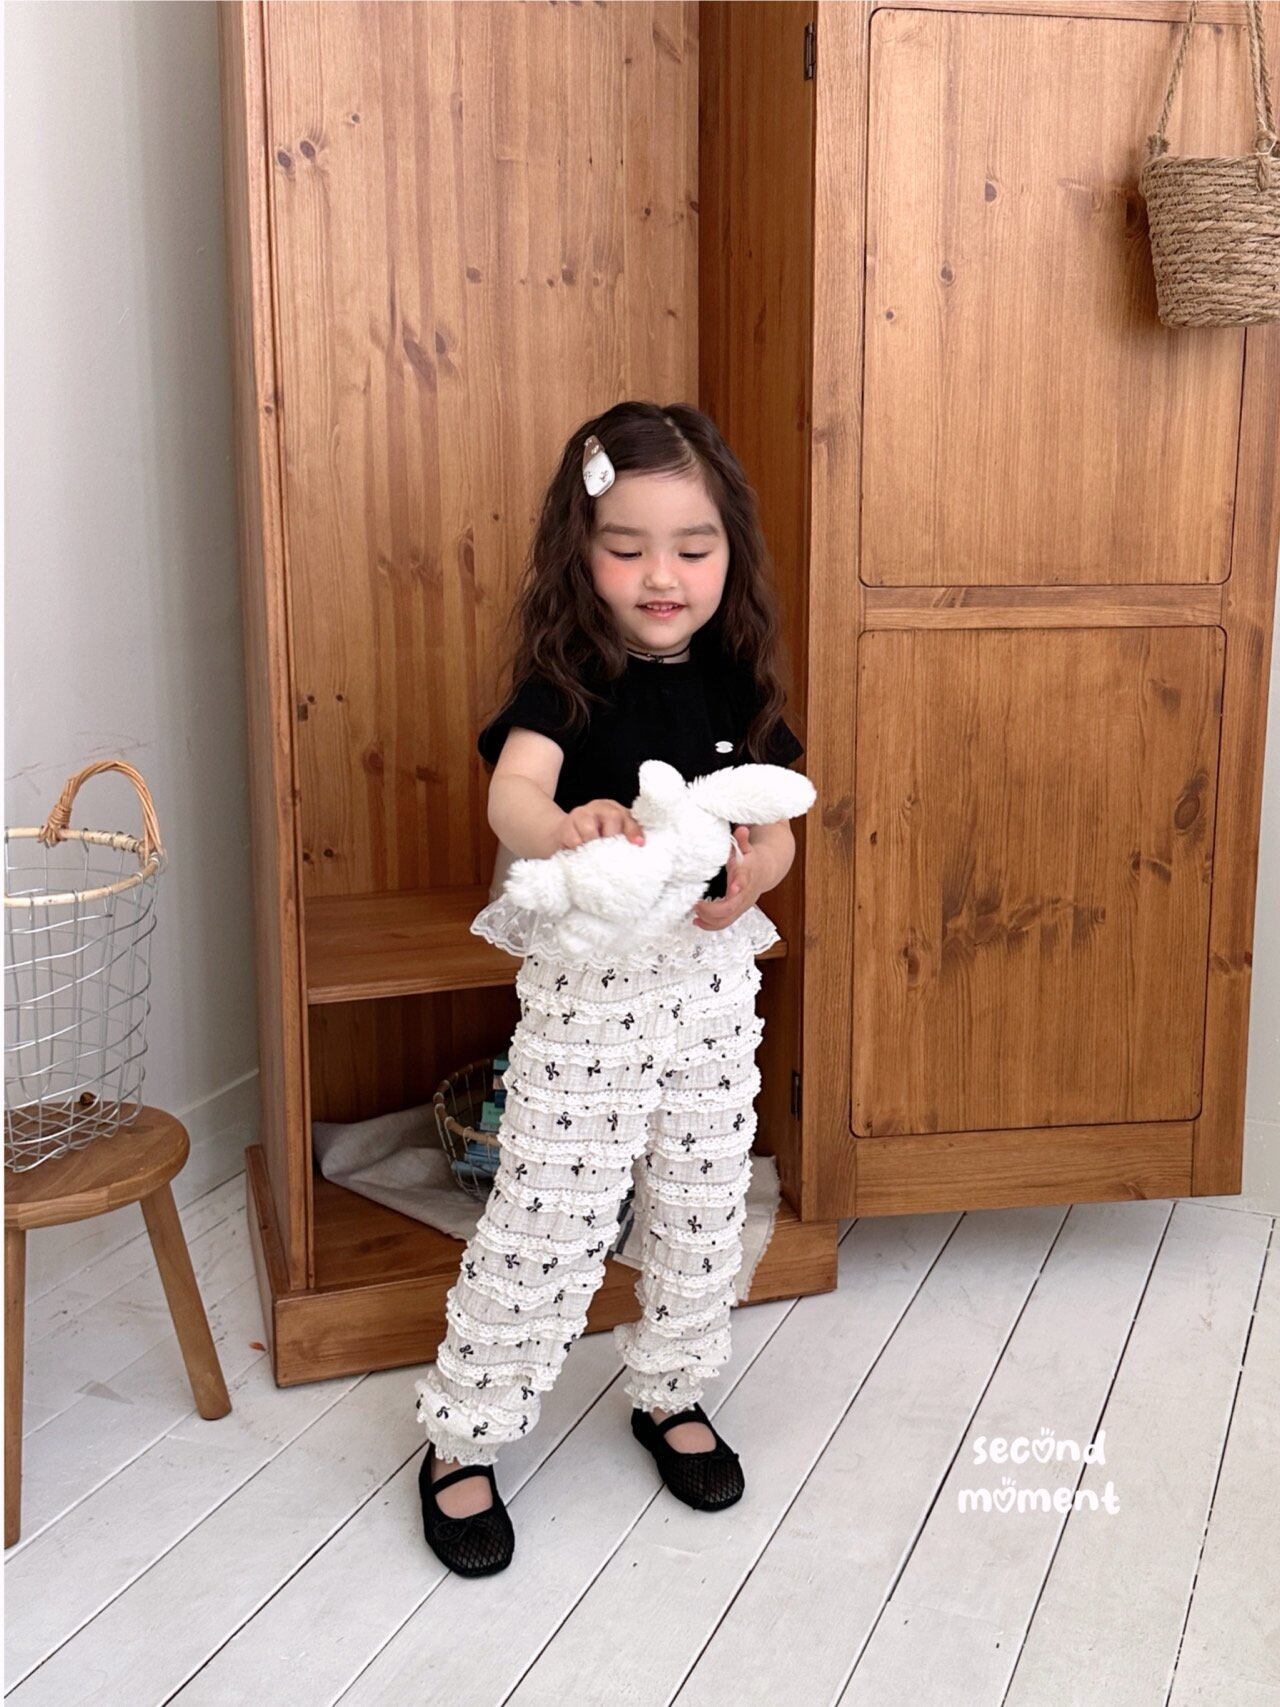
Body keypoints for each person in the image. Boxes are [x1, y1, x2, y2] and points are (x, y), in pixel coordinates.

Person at [413, 400, 807, 1576]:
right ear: (579, 551)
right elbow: (511, 796)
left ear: (729, 550)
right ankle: (463, 1434)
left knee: (701, 1195)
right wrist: (563, 824)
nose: (661, 576)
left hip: (708, 985)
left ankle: (671, 1385)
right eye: (626, 548)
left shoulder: (734, 675)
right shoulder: (566, 677)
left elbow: (777, 821)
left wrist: (753, 881)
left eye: (692, 547)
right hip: (591, 992)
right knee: (550, 1208)